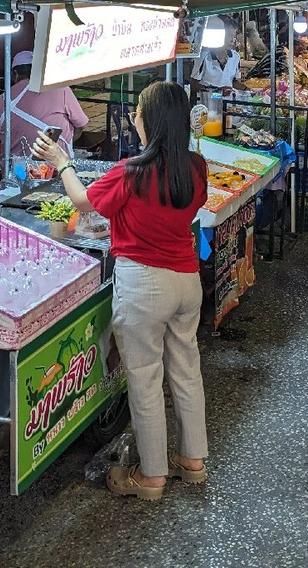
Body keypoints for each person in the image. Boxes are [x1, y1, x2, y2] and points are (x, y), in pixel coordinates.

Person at [32, 81, 208, 500]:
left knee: (144, 380)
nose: (134, 120)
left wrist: (62, 162)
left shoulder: (131, 171)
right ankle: (193, 460)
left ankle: (151, 476)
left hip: (144, 285)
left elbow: (81, 201)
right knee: (186, 371)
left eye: (138, 114)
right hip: (187, 282)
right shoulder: (196, 167)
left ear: (152, 121)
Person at [0, 50, 89, 156]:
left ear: (15, 73)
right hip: (55, 162)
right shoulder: (61, 89)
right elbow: (81, 125)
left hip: (14, 164)